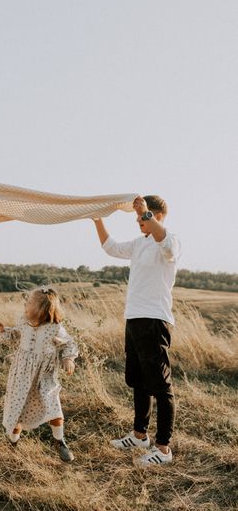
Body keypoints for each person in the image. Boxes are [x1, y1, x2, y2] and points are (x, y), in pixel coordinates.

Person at [93, 195, 181, 467]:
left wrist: (145, 214)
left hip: (155, 320)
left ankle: (163, 449)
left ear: (157, 215)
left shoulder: (169, 241)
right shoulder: (139, 243)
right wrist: (97, 219)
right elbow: (110, 247)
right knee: (139, 381)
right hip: (134, 319)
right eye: (139, 219)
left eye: (144, 218)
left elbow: (164, 241)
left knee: (161, 386)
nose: (140, 223)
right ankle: (139, 435)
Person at [0, 286, 78, 462]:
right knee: (18, 409)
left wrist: (68, 359)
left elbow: (68, 344)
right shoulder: (24, 322)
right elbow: (14, 336)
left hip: (44, 376)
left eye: (30, 302)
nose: (26, 304)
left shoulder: (54, 328)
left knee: (53, 405)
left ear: (42, 309)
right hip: (22, 375)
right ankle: (13, 442)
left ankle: (60, 441)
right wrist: (2, 331)